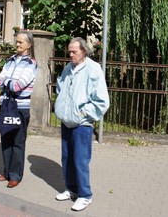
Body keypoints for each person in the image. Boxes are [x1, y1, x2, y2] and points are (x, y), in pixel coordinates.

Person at [54, 37, 110, 211]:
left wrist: (84, 113)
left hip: (82, 124)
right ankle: (71, 189)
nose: (70, 55)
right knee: (67, 158)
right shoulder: (68, 68)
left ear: (84, 51)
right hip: (67, 121)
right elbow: (60, 87)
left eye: (74, 52)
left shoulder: (93, 69)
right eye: (69, 51)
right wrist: (62, 107)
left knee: (80, 160)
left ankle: (85, 195)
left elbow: (102, 101)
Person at [0, 31, 37, 188]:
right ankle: (6, 172)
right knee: (6, 138)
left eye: (21, 42)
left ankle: (15, 175)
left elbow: (19, 85)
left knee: (18, 141)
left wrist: (7, 81)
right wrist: (8, 82)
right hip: (5, 104)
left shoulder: (31, 64)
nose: (17, 44)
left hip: (20, 107)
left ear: (29, 45)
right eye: (17, 41)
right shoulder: (10, 61)